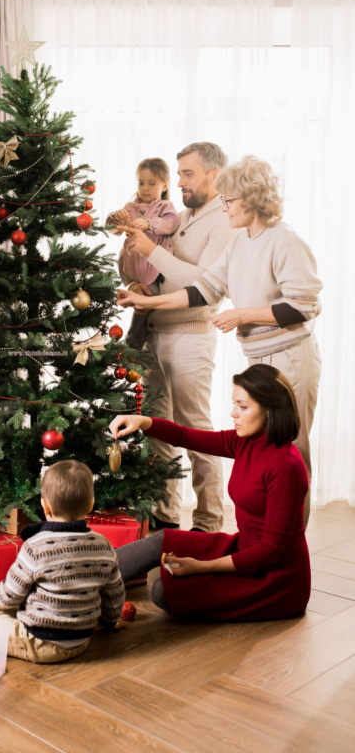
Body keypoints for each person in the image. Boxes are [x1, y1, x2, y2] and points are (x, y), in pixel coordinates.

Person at [117, 155, 321, 525]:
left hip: (292, 358)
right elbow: (204, 290)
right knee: (265, 453)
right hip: (259, 358)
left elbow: (303, 306)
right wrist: (148, 301)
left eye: (228, 200)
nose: (223, 207)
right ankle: (267, 535)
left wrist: (244, 314)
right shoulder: (241, 239)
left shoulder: (284, 240)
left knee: (292, 453)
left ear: (252, 197)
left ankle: (290, 546)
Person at [108, 364, 311, 622]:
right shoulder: (246, 440)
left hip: (274, 578)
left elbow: (271, 551)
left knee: (162, 592)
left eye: (243, 406)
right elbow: (186, 436)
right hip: (243, 550)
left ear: (270, 410)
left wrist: (201, 566)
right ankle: (74, 577)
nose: (233, 413)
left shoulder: (287, 466)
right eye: (234, 404)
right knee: (162, 541)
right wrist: (143, 422)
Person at [115, 142, 235, 533]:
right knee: (158, 428)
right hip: (155, 333)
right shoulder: (180, 216)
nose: (179, 181)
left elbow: (204, 285)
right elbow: (161, 274)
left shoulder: (223, 221)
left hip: (191, 338)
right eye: (179, 173)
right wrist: (138, 279)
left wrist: (151, 249)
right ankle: (166, 513)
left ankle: (208, 522)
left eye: (187, 173)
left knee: (196, 431)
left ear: (214, 175)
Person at [0, 460, 125, 664]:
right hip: (82, 640)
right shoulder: (103, 545)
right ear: (91, 504)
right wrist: (110, 621)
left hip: (39, 643)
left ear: (45, 505)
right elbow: (115, 595)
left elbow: (11, 595)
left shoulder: (34, 547)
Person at [106, 157, 180, 348]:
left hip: (154, 269)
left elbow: (171, 224)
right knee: (136, 299)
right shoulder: (130, 208)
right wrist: (115, 218)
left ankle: (132, 346)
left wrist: (149, 224)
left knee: (144, 303)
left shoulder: (165, 207)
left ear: (164, 186)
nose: (145, 188)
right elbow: (113, 230)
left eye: (152, 183)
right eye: (141, 182)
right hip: (133, 267)